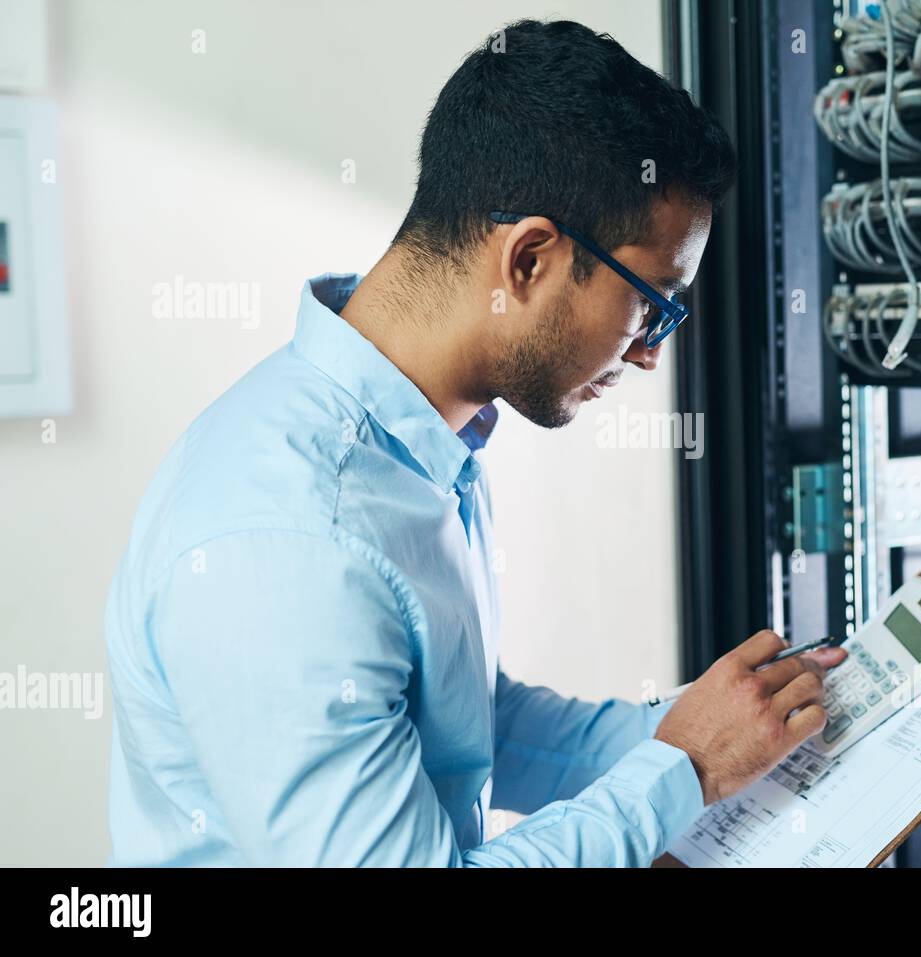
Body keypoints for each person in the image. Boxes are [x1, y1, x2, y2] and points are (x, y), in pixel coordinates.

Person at [105, 18, 845, 867]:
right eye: (654, 303)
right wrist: (683, 769)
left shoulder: (416, 447)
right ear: (529, 258)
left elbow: (474, 725)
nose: (649, 353)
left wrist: (714, 723)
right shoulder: (292, 535)